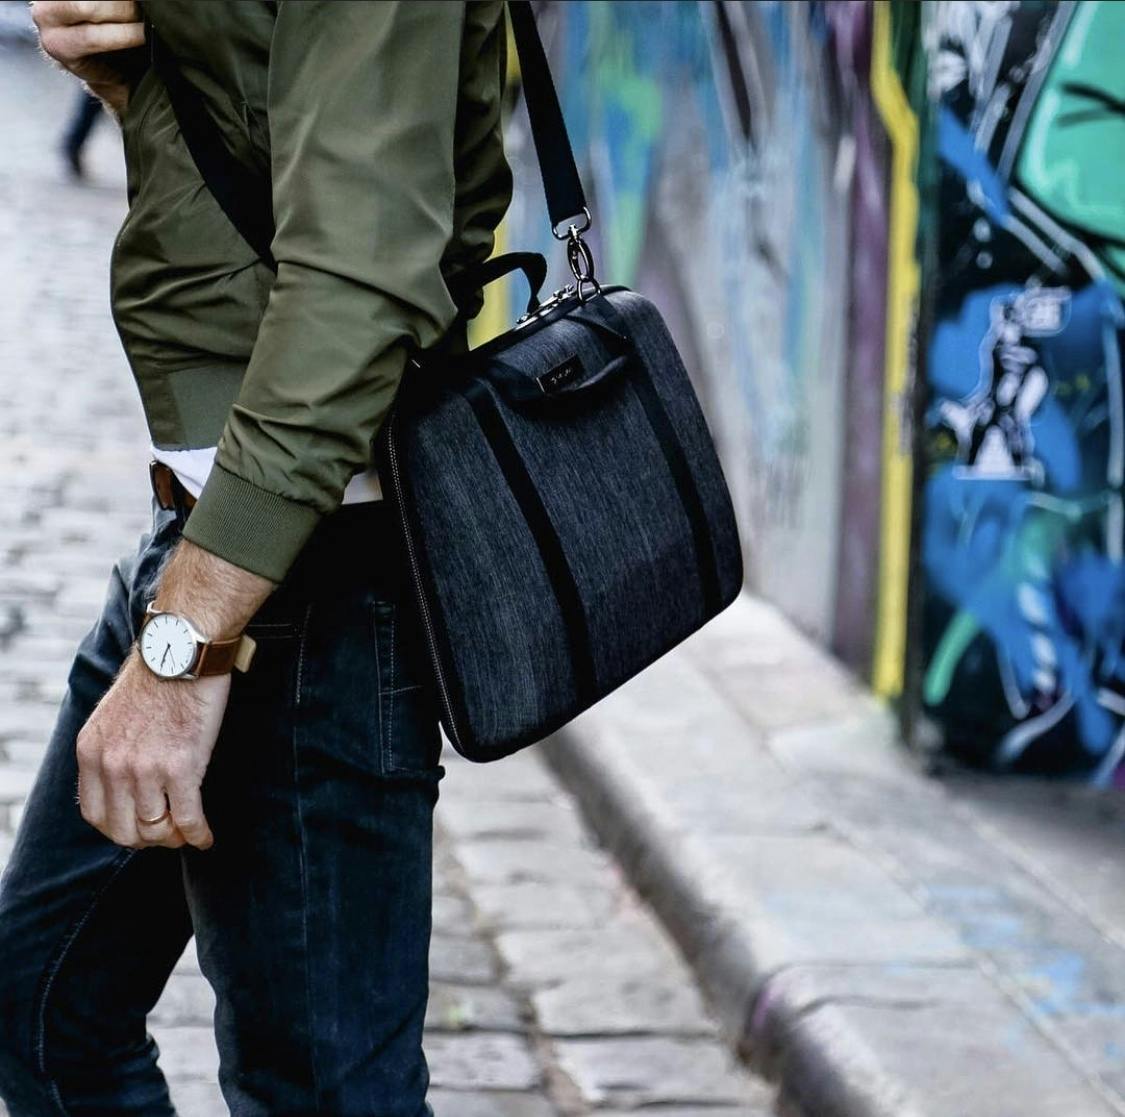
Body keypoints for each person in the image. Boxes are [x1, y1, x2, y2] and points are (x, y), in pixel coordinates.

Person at [0, 2, 513, 1114]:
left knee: (316, 1092)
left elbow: (360, 275)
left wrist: (182, 652)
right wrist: (135, 74)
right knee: (44, 1012)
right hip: (213, 522)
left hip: (303, 560)